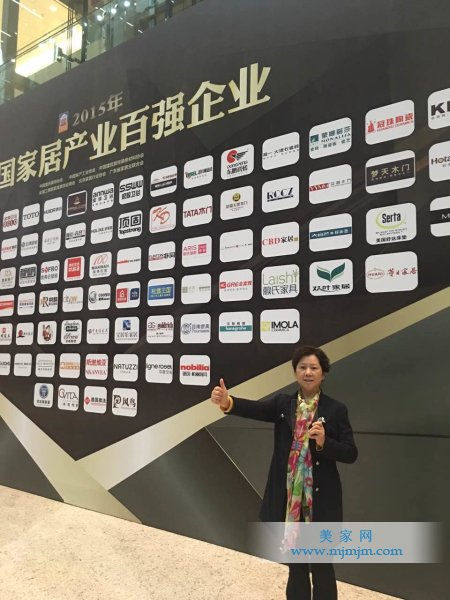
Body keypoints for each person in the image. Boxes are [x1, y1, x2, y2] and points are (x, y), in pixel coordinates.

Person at [211, 345, 358, 600]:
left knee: (322, 567)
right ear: (295, 372)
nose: (308, 372)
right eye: (302, 367)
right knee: (297, 566)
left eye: (314, 368)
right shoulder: (283, 404)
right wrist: (228, 402)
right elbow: (256, 410)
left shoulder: (336, 410)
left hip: (321, 501)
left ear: (323, 374)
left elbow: (350, 453)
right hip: (290, 501)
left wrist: (324, 442)